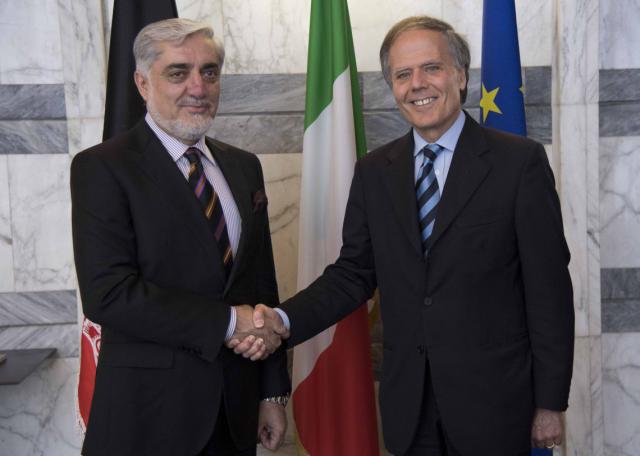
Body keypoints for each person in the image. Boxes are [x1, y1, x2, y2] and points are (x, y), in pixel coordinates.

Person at [232, 15, 575, 456]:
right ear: (392, 86)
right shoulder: (374, 172)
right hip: (410, 411)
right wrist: (282, 320)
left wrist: (550, 401)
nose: (417, 84)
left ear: (460, 75)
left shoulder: (518, 163)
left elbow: (549, 290)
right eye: (402, 74)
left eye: (431, 68)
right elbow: (352, 275)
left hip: (496, 406)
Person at [71, 18, 290, 456]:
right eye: (178, 72)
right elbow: (108, 294)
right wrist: (227, 322)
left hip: (235, 411)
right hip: (147, 417)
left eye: (209, 72)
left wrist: (271, 393)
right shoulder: (103, 167)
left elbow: (261, 286)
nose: (198, 87)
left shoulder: (244, 166)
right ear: (142, 83)